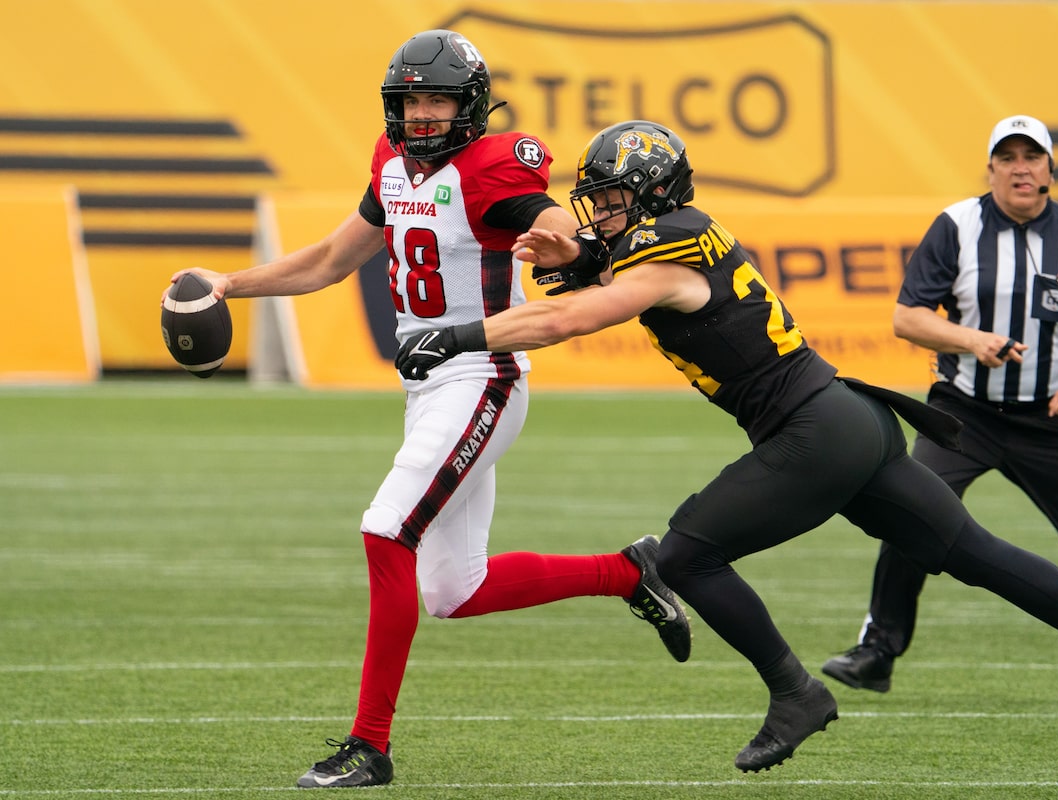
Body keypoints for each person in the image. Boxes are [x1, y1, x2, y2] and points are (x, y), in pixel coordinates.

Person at [394, 119, 1058, 772]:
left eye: (608, 199)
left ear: (652, 193)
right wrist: (578, 256)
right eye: (594, 202)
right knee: (975, 553)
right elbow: (609, 269)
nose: (597, 213)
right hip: (849, 417)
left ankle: (795, 691)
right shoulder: (675, 234)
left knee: (684, 556)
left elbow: (572, 319)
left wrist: (458, 335)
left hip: (813, 431)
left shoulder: (662, 250)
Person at [162, 33, 691, 789]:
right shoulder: (392, 163)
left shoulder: (495, 166)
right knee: (454, 589)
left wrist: (567, 247)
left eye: (437, 98)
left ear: (470, 105)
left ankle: (369, 746)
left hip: (483, 373)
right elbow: (327, 261)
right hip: (429, 388)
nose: (422, 114)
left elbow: (553, 226)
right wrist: (229, 284)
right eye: (411, 100)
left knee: (385, 529)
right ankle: (629, 572)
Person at [821, 115, 1058, 708]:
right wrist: (972, 340)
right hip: (963, 412)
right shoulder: (957, 225)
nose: (1021, 167)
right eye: (1008, 157)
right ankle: (878, 651)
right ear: (991, 168)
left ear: (1050, 170)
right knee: (907, 514)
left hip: (1054, 420)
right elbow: (907, 317)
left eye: (1032, 156)